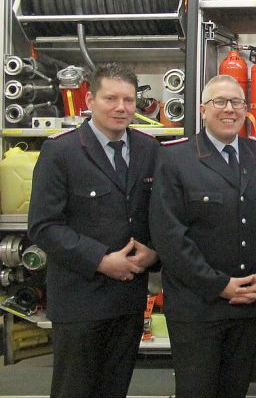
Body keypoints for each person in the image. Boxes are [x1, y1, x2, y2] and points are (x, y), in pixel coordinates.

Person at [27, 63, 160, 398]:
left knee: (115, 389)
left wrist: (155, 250)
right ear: (90, 99)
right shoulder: (61, 151)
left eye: (128, 100)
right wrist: (102, 260)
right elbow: (43, 226)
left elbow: (158, 214)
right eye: (111, 98)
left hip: (128, 301)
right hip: (79, 302)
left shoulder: (149, 149)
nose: (121, 107)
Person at [149, 74, 256, 398]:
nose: (229, 109)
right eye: (219, 102)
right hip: (198, 308)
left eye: (236, 102)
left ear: (246, 110)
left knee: (235, 391)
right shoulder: (175, 157)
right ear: (202, 110)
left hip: (249, 305)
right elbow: (169, 235)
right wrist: (219, 286)